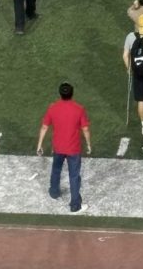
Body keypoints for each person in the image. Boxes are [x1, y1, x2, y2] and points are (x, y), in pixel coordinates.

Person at [36, 82, 90, 213]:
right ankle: (75, 205)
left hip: (58, 147)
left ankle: (54, 192)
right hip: (73, 149)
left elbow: (44, 127)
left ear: (60, 94)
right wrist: (88, 144)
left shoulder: (53, 108)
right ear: (72, 94)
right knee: (74, 176)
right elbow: (86, 129)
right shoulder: (79, 109)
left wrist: (39, 144)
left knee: (56, 170)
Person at [123, 11, 143, 134]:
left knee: (141, 100)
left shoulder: (130, 37)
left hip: (137, 73)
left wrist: (129, 68)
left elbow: (125, 55)